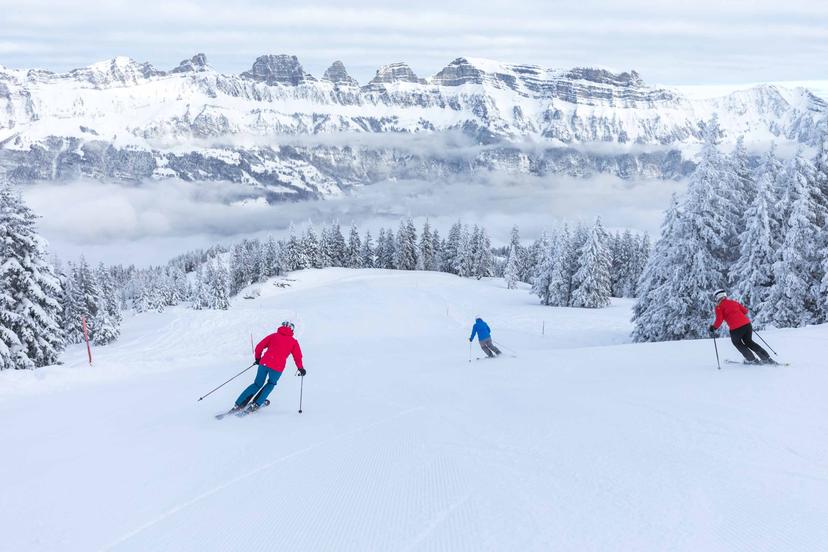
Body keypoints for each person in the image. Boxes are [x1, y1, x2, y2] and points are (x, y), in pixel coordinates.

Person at [232, 321, 305, 413]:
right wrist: (300, 368)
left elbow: (259, 347)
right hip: (277, 368)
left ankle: (238, 404)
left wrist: (258, 358)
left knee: (257, 384)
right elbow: (297, 356)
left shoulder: (273, 336)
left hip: (264, 363)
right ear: (292, 330)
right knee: (271, 384)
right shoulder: (293, 342)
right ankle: (256, 404)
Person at [708, 289, 774, 365]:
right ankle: (766, 358)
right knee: (749, 342)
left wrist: (714, 327)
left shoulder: (719, 307)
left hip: (736, 329)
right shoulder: (734, 302)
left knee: (737, 343)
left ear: (717, 297)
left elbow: (719, 319)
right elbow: (745, 311)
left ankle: (752, 360)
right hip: (747, 325)